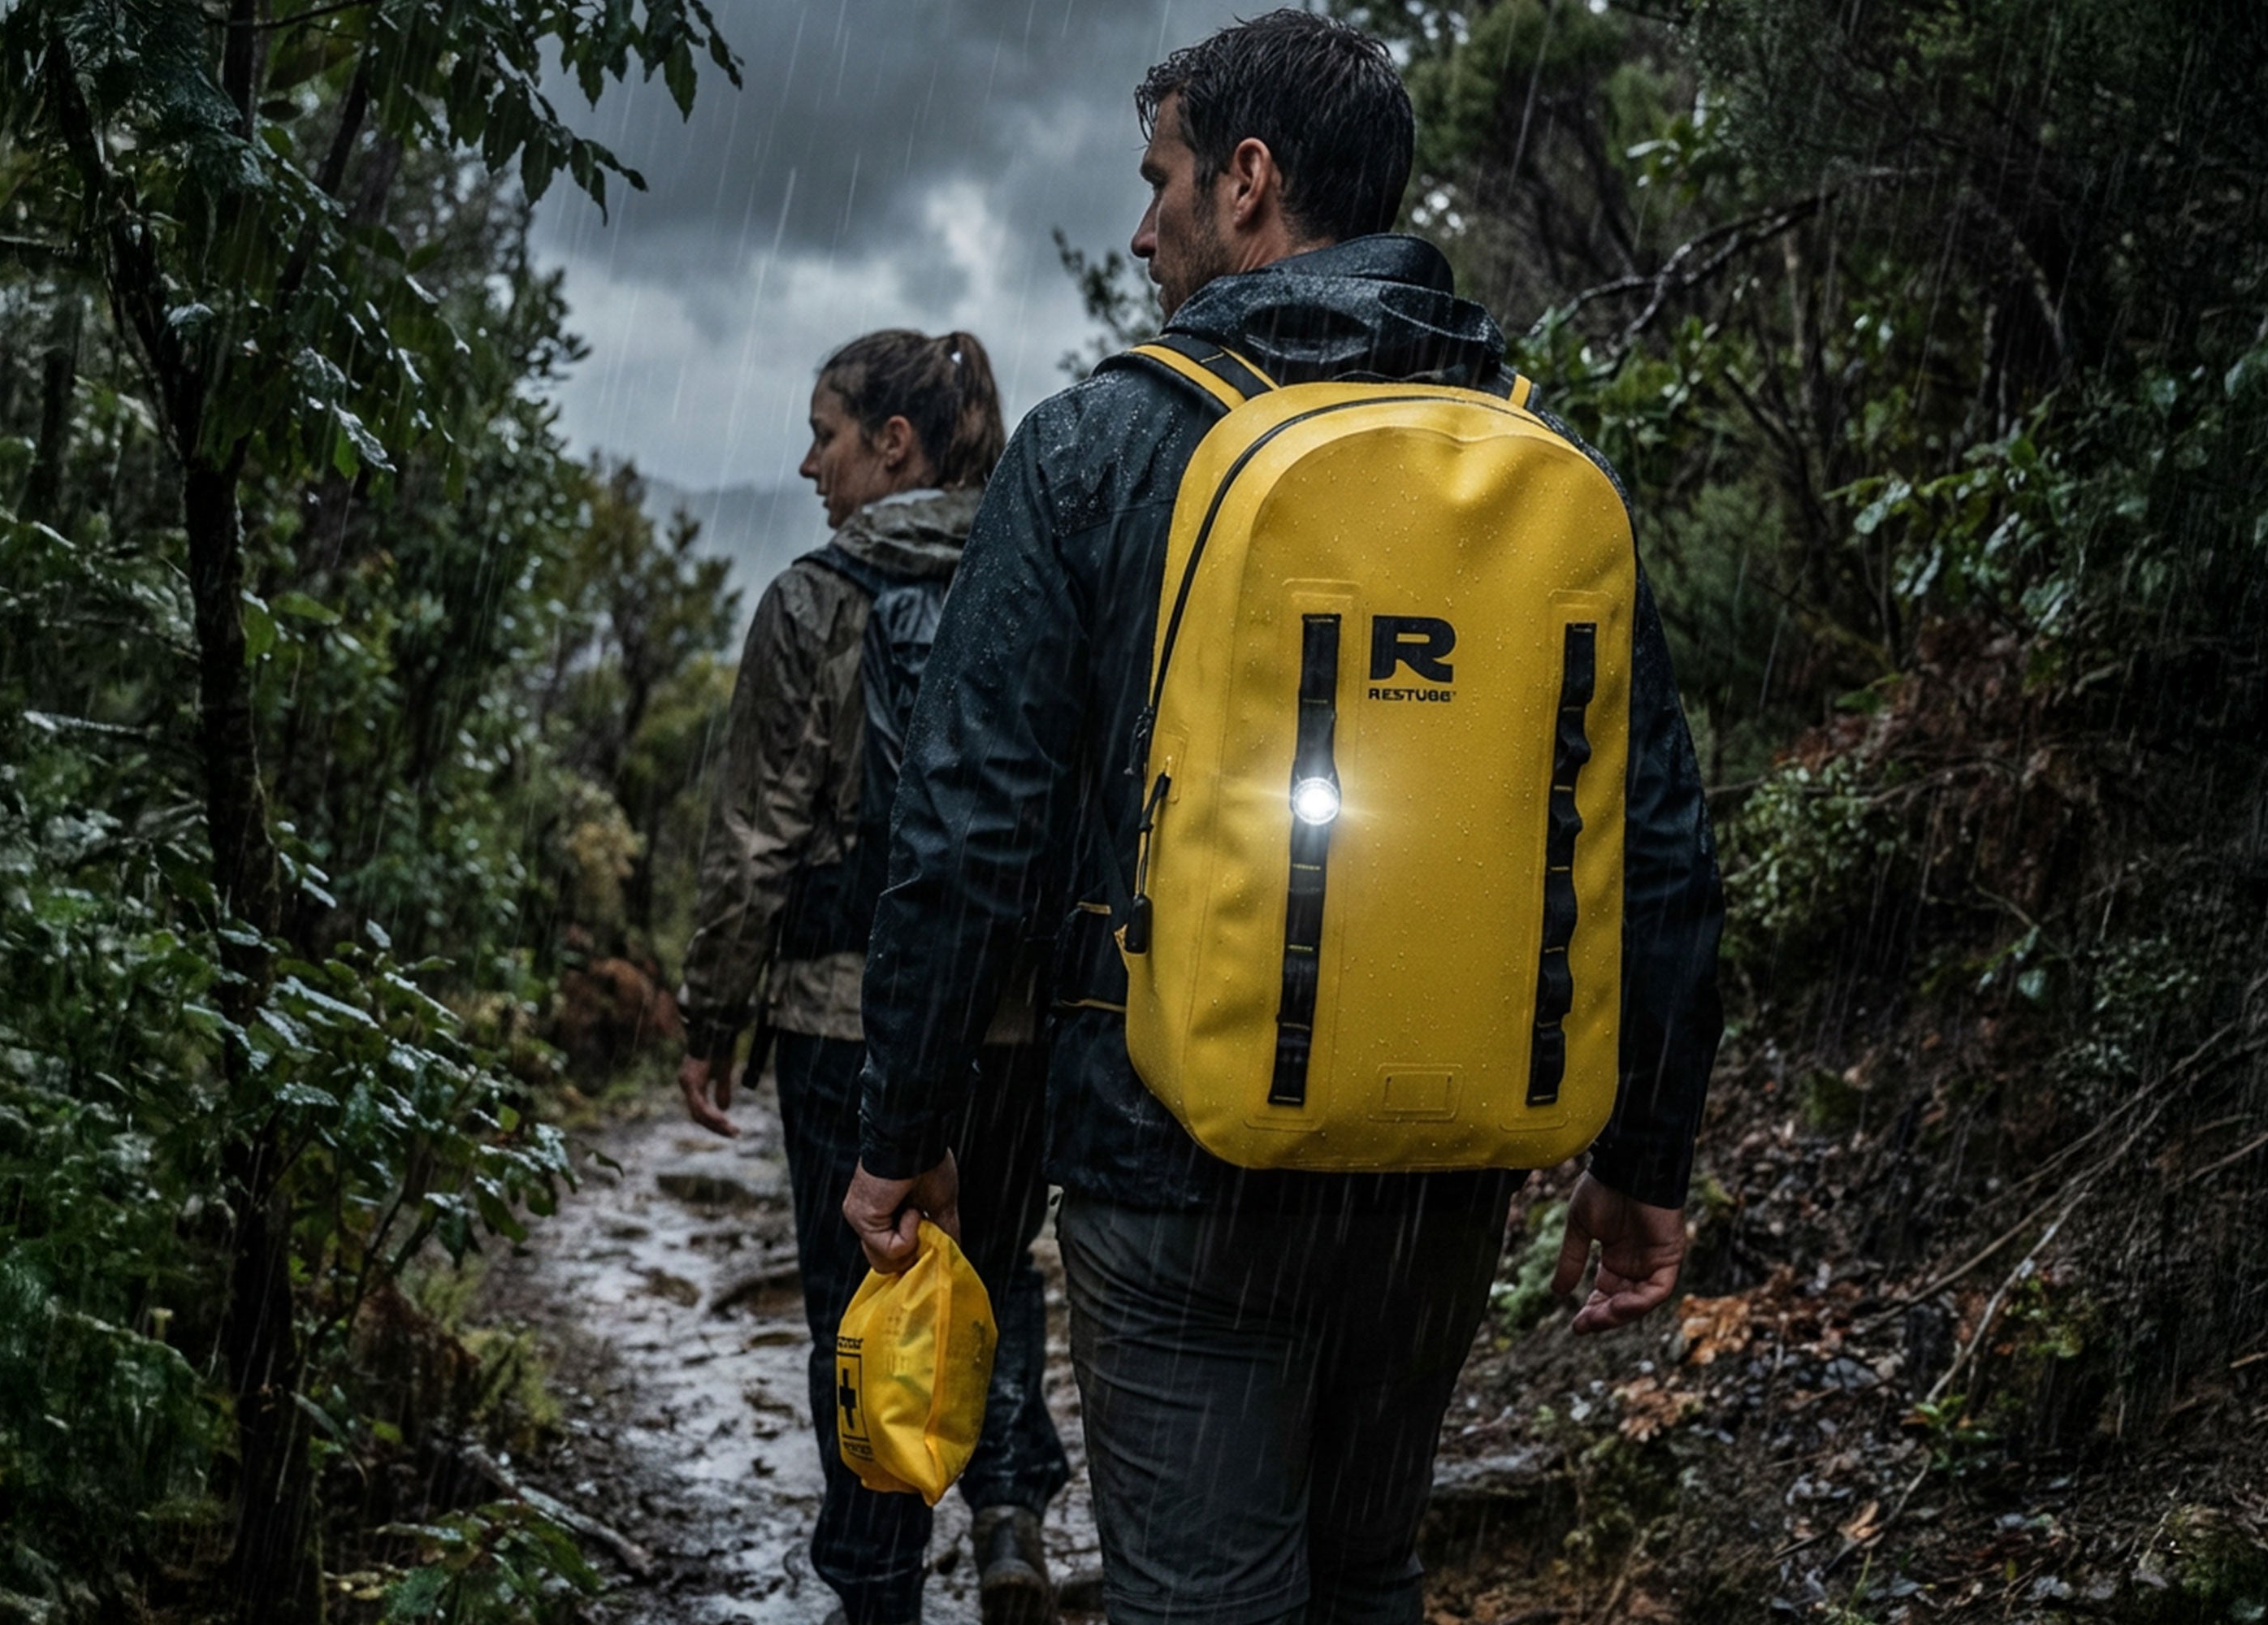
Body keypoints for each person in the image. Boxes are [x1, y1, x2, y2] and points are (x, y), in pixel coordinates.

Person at [842, 13, 1725, 1625]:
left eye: (1160, 180)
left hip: (1173, 1158)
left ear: (1245, 182)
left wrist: (904, 1128)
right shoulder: (1539, 456)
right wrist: (1645, 1152)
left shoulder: (1100, 447)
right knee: (1366, 1573)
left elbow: (967, 828)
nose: (1142, 229)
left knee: (1205, 1598)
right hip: (1441, 1166)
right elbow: (1650, 835)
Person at [676, 328, 1068, 1625]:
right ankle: (1007, 1507)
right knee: (994, 1266)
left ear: (893, 444)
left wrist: (711, 1011)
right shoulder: (1037, 577)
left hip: (843, 1014)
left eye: (826, 437)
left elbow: (758, 836)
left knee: (862, 1301)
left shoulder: (812, 601)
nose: (810, 466)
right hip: (1013, 1021)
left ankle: (877, 1579)